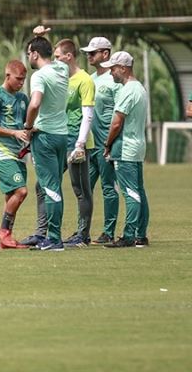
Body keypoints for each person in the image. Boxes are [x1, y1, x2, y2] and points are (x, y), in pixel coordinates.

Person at [23, 36, 69, 251]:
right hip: (62, 135)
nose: (28, 58)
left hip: (45, 137)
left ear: (34, 53)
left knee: (50, 189)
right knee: (54, 187)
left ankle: (54, 239)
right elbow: (55, 56)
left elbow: (35, 103)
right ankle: (51, 235)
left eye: (29, 53)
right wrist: (43, 36)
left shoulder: (39, 76)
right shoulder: (62, 69)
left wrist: (27, 125)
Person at [103, 52, 150, 248]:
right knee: (139, 191)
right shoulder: (140, 88)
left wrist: (107, 144)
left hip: (125, 148)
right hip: (138, 146)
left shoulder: (127, 90)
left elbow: (116, 123)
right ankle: (141, 234)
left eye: (113, 69)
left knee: (130, 192)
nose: (110, 73)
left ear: (123, 68)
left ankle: (129, 235)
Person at [54, 38, 97, 247]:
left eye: (57, 57)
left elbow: (88, 114)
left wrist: (80, 144)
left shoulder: (84, 80)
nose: (54, 61)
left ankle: (83, 235)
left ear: (68, 56)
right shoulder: (60, 79)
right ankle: (46, 231)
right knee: (43, 184)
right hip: (60, 138)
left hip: (76, 141)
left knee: (80, 189)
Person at [0, 60, 31, 249]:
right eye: (18, 79)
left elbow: (26, 124)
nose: (21, 82)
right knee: (21, 191)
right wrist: (13, 133)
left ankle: (7, 238)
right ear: (7, 75)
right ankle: (2, 230)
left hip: (19, 154)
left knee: (11, 195)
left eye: (23, 79)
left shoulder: (23, 98)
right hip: (2, 152)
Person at [81, 37, 120, 244]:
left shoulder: (114, 80)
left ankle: (108, 232)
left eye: (93, 53)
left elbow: (120, 114)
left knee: (108, 188)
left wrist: (111, 142)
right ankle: (82, 232)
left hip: (106, 144)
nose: (89, 56)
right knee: (84, 189)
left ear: (105, 54)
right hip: (89, 144)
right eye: (87, 53)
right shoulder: (90, 79)